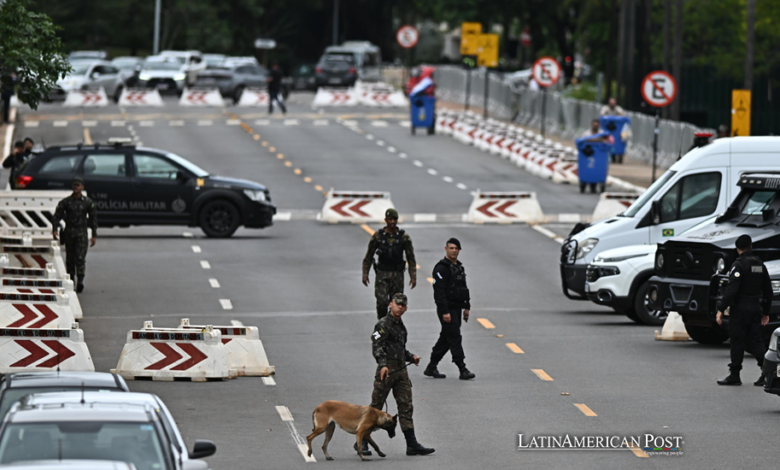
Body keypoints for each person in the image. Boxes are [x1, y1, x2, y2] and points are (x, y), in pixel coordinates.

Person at [365, 293, 434, 457]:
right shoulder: (383, 324)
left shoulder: (399, 324)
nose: (400, 307)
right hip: (386, 371)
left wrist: (411, 357)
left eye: (403, 305)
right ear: (391, 304)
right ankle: (362, 441)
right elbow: (377, 344)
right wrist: (382, 364)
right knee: (376, 408)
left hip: (401, 371)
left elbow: (399, 348)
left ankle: (412, 444)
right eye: (398, 304)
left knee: (406, 406)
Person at [715, 234, 773, 386]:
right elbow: (768, 290)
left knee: (737, 340)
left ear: (737, 248)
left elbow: (731, 290)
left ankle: (734, 374)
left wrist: (721, 309)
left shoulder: (738, 265)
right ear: (751, 246)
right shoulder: (759, 265)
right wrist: (766, 312)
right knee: (756, 340)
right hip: (755, 307)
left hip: (740, 309)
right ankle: (767, 373)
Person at [424, 238, 475, 380]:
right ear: (446, 249)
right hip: (446, 309)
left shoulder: (459, 267)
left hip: (457, 308)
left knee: (446, 338)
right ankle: (462, 368)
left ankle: (431, 367)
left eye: (456, 248)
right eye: (451, 248)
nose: (454, 251)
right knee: (454, 336)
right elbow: (439, 293)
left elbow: (464, 288)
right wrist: (445, 311)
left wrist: (466, 307)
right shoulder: (441, 268)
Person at [362, 208, 416, 319]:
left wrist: (413, 276)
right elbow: (368, 256)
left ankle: (394, 327)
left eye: (394, 219)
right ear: (385, 220)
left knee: (397, 305)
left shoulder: (403, 237)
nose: (392, 222)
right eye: (390, 219)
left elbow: (411, 258)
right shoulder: (378, 237)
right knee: (382, 302)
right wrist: (365, 273)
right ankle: (382, 325)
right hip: (382, 274)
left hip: (397, 275)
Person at [52, 177, 97, 293]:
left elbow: (93, 219)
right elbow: (57, 215)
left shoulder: (88, 202)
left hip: (82, 233)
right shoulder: (66, 202)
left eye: (78, 185)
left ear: (82, 187)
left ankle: (80, 281)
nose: (76, 187)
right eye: (74, 185)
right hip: (69, 233)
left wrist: (94, 235)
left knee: (80, 258)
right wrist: (55, 229)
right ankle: (71, 280)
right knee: (70, 258)